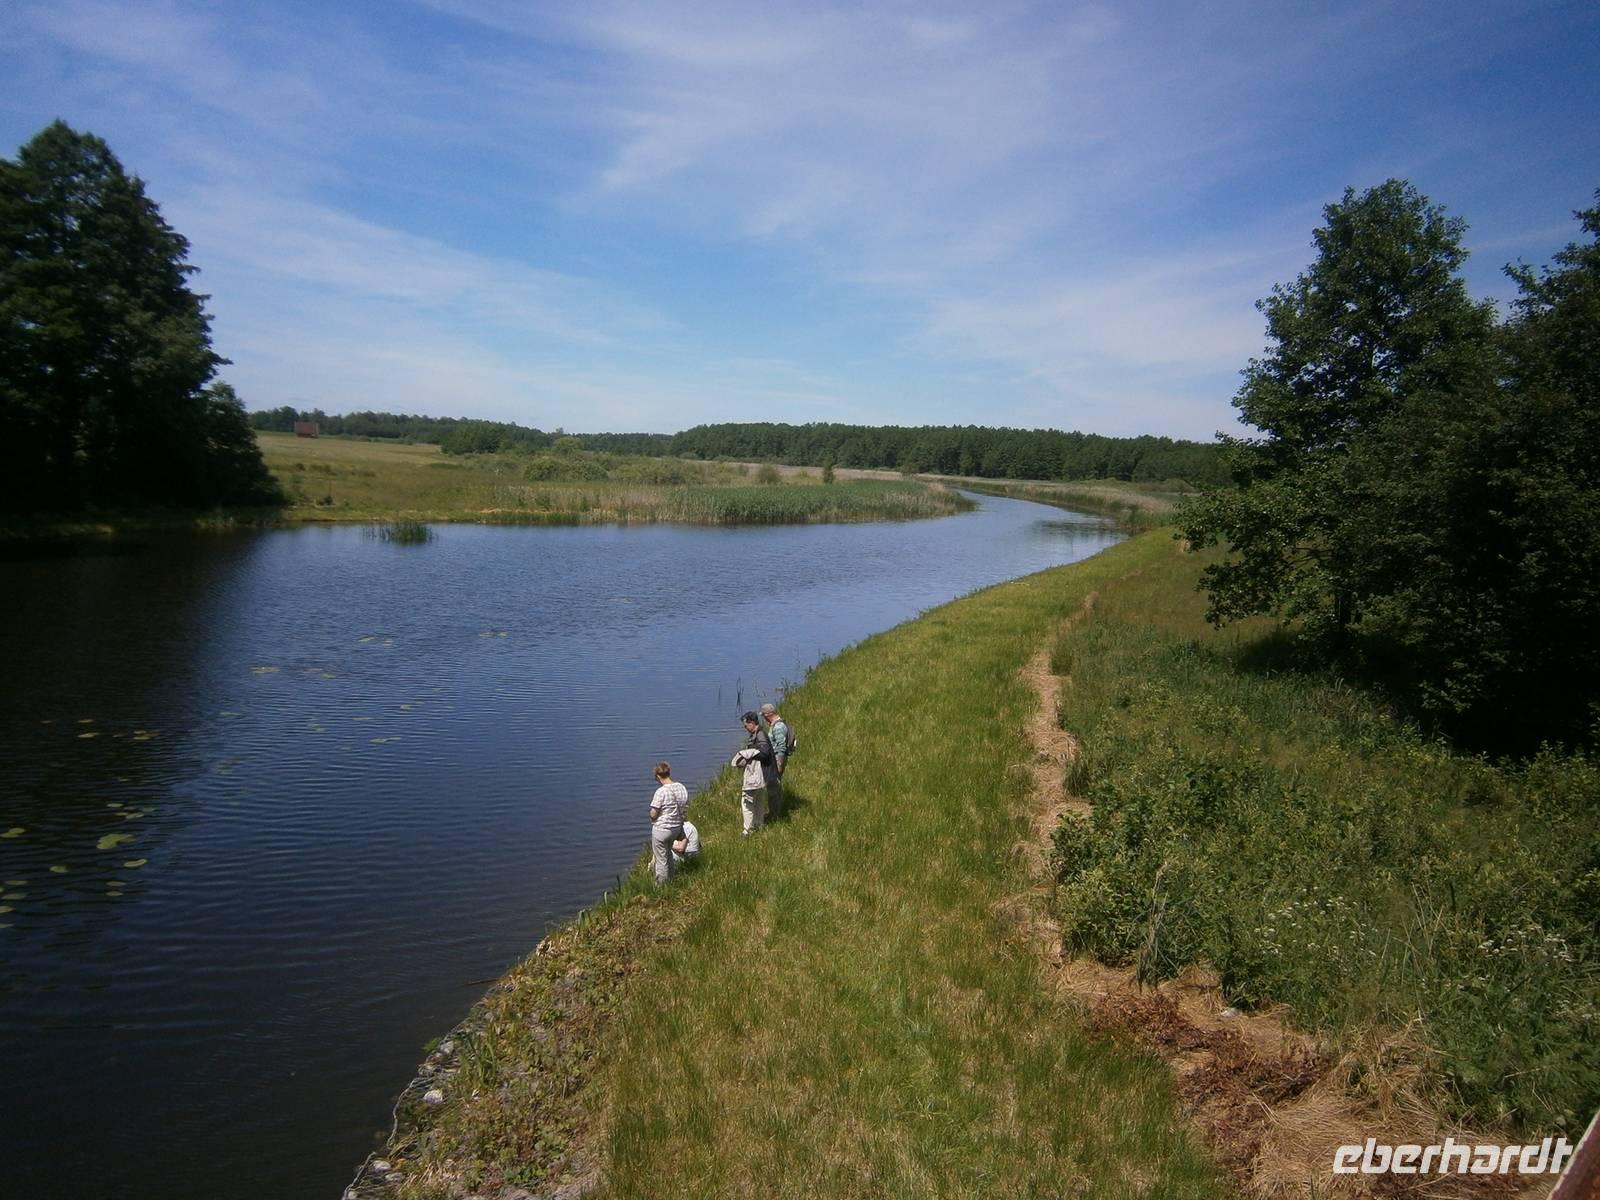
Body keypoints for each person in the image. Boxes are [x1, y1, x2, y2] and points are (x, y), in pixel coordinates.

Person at [731, 711, 773, 835]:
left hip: (756, 776)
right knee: (759, 801)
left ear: (752, 722)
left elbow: (764, 753)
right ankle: (759, 825)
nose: (745, 728)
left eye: (746, 725)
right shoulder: (758, 734)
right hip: (761, 776)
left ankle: (748, 830)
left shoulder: (760, 735)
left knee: (747, 803)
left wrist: (748, 754)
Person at [648, 761, 688, 885]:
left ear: (658, 776)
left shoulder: (661, 792)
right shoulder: (681, 787)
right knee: (669, 855)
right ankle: (671, 880)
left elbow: (653, 813)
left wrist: (652, 817)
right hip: (676, 828)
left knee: (661, 860)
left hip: (662, 830)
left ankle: (661, 887)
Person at [761, 702, 789, 819]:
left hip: (777, 761)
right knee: (774, 787)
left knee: (774, 787)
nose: (763, 718)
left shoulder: (777, 727)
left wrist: (779, 765)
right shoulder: (778, 724)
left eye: (763, 715)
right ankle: (774, 812)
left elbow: (781, 747)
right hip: (776, 760)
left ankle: (774, 815)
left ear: (768, 714)